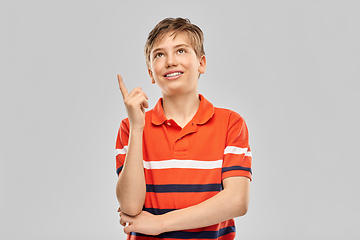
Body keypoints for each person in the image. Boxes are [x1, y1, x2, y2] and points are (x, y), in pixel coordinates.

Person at [115, 17, 252, 240]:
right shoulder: (130, 128)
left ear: (201, 63)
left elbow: (236, 201)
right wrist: (137, 128)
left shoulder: (230, 123)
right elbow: (130, 206)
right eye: (159, 54)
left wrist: (160, 223)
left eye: (181, 51)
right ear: (151, 73)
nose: (170, 61)